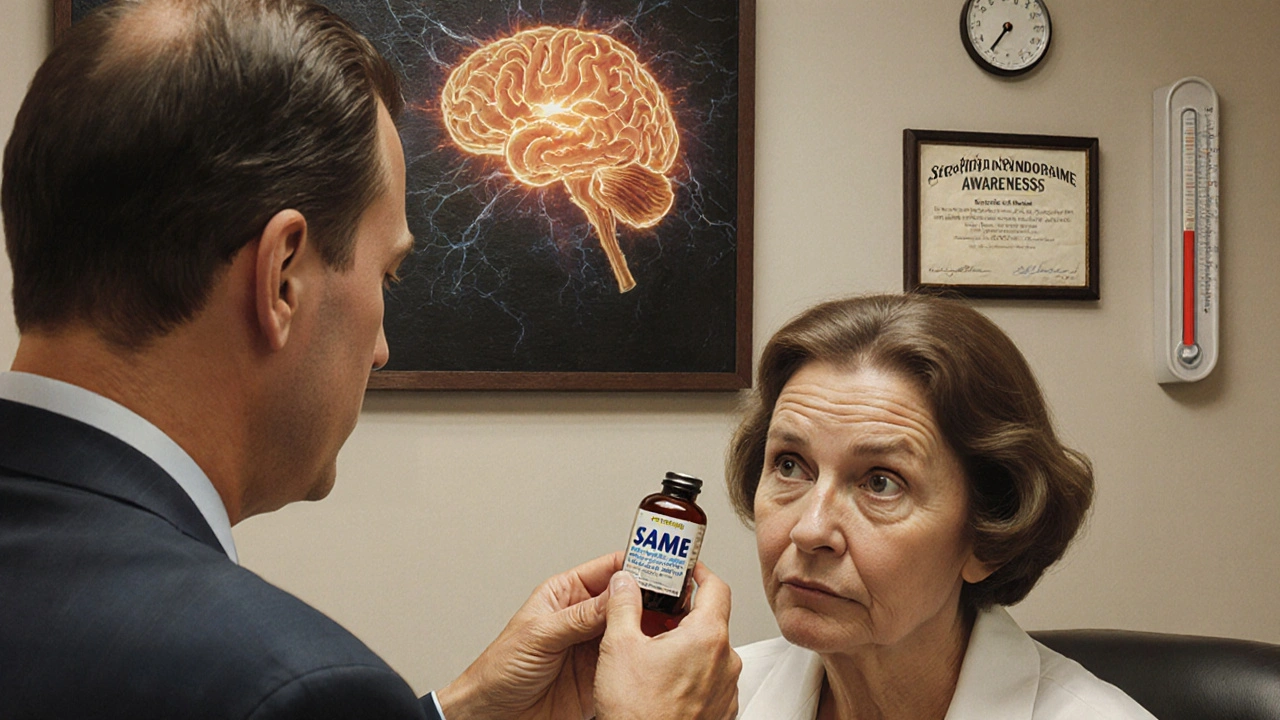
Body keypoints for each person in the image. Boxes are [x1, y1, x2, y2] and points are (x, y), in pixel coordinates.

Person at [0, 0, 740, 718]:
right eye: (387, 275)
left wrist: (459, 710)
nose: (382, 350)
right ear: (282, 279)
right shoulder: (280, 679)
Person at [725, 294, 1155, 720]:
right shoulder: (709, 702)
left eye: (881, 483)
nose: (810, 530)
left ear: (989, 536)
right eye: (790, 466)